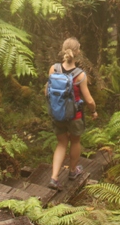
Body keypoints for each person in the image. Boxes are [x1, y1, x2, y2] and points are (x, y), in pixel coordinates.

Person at [47, 37, 97, 190]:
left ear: (63, 50)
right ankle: (73, 171)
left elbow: (46, 91)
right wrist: (94, 111)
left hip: (57, 114)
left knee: (61, 143)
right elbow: (88, 100)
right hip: (74, 116)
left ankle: (54, 177)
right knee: (75, 142)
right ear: (78, 52)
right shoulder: (80, 75)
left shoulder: (53, 69)